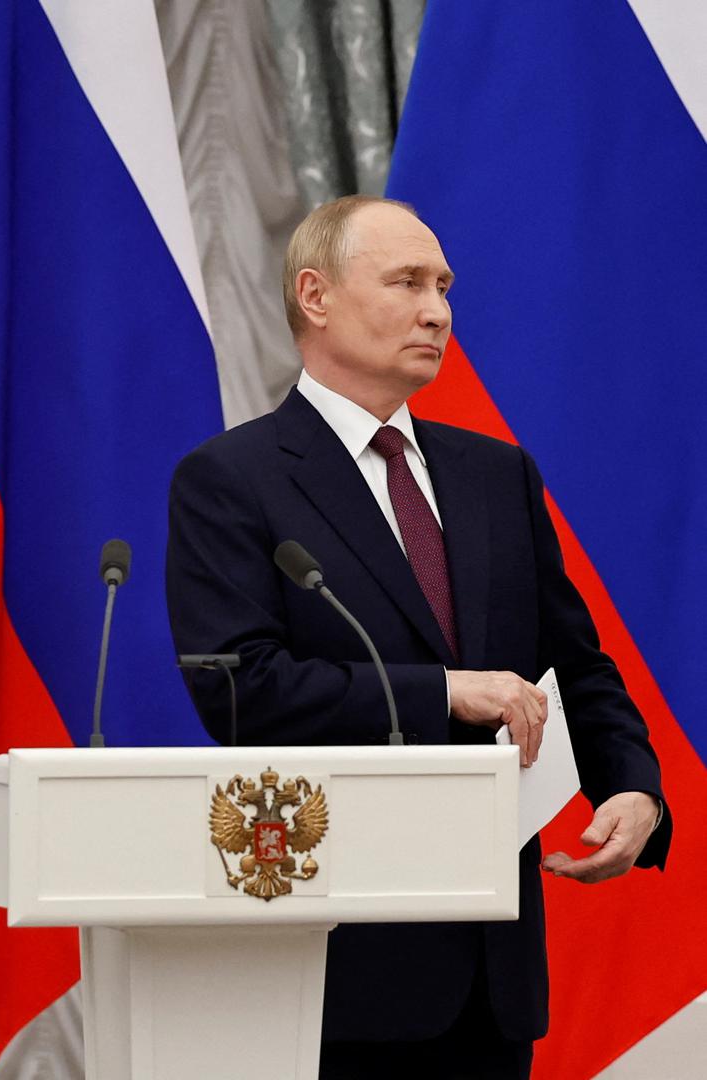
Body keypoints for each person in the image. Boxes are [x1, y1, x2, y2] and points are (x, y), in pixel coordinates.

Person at [165, 195, 669, 1079]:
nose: (438, 309)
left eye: (443, 286)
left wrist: (630, 785)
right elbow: (240, 687)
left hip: (493, 967)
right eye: (406, 282)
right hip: (340, 961)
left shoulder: (494, 474)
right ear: (314, 296)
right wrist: (444, 690)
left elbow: (576, 665)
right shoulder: (231, 480)